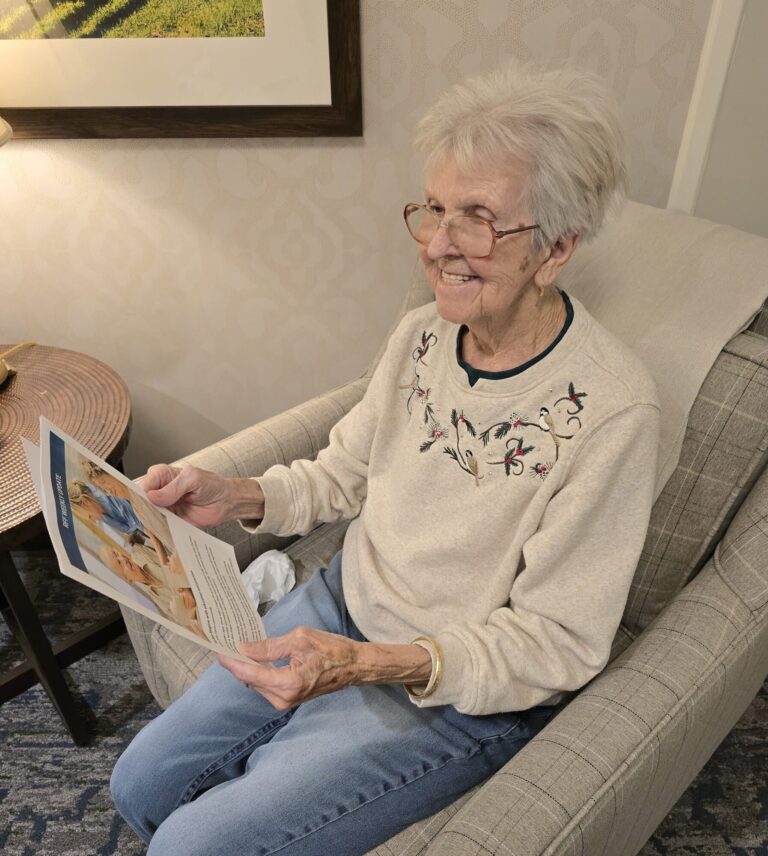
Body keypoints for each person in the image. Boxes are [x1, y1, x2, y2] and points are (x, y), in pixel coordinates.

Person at [111, 61, 660, 856]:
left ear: (556, 247)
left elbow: (557, 642)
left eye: (478, 218)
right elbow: (342, 476)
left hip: (452, 693)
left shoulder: (612, 410)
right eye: (434, 209)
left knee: (189, 847)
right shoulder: (423, 337)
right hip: (340, 605)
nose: (438, 246)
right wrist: (229, 495)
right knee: (137, 784)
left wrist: (364, 664)